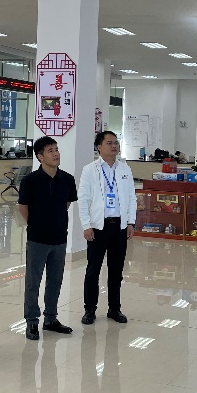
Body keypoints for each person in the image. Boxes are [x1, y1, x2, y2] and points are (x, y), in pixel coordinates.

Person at [18, 136, 77, 340]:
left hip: (59, 238)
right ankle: (32, 321)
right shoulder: (30, 181)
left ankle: (51, 318)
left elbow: (66, 204)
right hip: (37, 239)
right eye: (50, 151)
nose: (56, 153)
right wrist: (36, 224)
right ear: (40, 156)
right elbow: (23, 207)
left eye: (56, 149)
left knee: (55, 281)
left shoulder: (67, 179)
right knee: (33, 282)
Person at [78, 131, 136, 325]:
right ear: (99, 147)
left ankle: (114, 308)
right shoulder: (90, 170)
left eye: (116, 143)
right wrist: (86, 225)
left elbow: (131, 198)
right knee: (93, 270)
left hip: (119, 226)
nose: (114, 146)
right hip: (97, 227)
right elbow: (83, 199)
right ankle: (89, 310)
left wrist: (130, 222)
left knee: (116, 270)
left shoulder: (125, 169)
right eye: (109, 143)